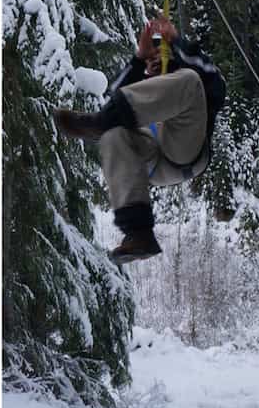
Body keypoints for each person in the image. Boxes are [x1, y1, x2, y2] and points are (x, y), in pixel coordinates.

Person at [53, 16, 226, 264]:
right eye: (152, 57)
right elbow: (114, 94)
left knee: (188, 81)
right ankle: (138, 234)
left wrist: (176, 41)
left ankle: (102, 122)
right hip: (151, 161)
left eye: (160, 54)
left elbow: (215, 83)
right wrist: (138, 59)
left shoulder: (190, 79)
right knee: (113, 132)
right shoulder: (140, 84)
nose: (155, 60)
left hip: (185, 151)